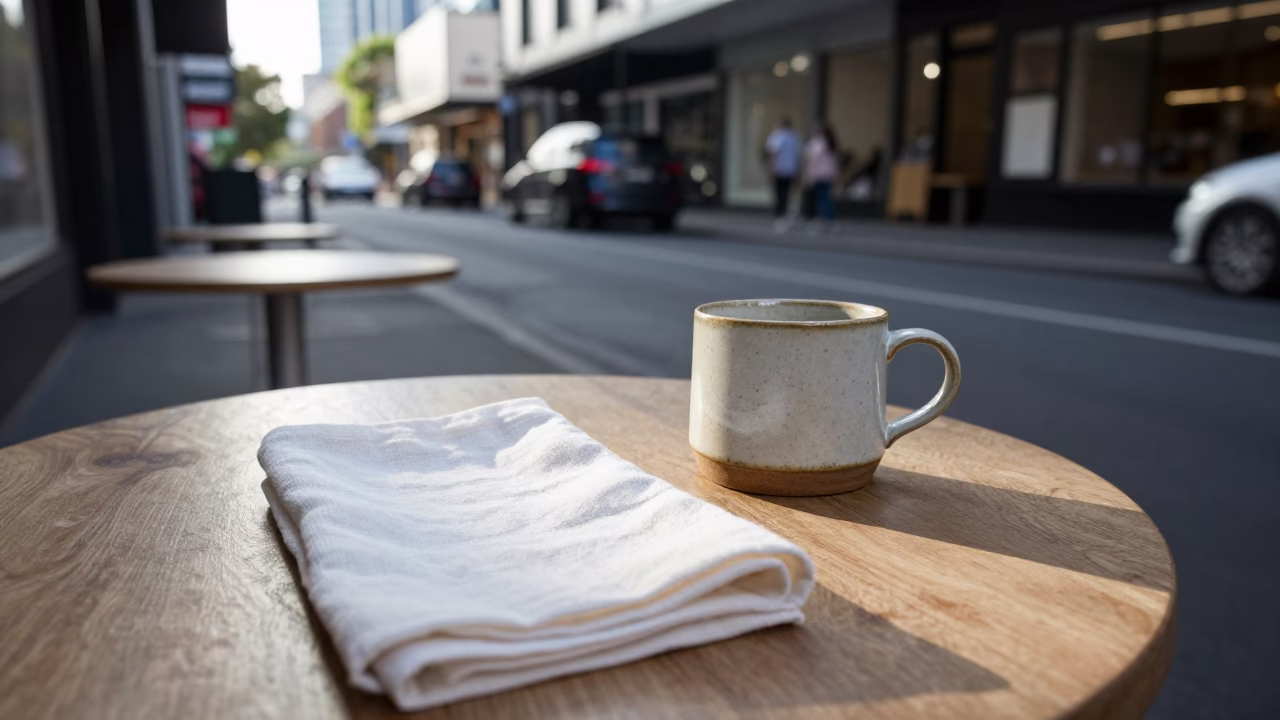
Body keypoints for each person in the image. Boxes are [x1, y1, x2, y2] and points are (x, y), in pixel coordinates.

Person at [764, 118, 801, 229]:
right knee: (786, 194)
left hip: (779, 169)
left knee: (779, 194)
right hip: (790, 170)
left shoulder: (777, 136)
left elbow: (772, 153)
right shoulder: (794, 137)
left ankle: (780, 216)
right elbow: (797, 155)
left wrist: (771, 168)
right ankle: (783, 215)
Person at [803, 123, 839, 230]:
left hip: (818, 174)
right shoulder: (832, 144)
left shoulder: (817, 144)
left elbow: (813, 160)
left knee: (819, 198)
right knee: (826, 197)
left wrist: (809, 175)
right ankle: (829, 219)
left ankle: (821, 219)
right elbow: (834, 162)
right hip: (828, 174)